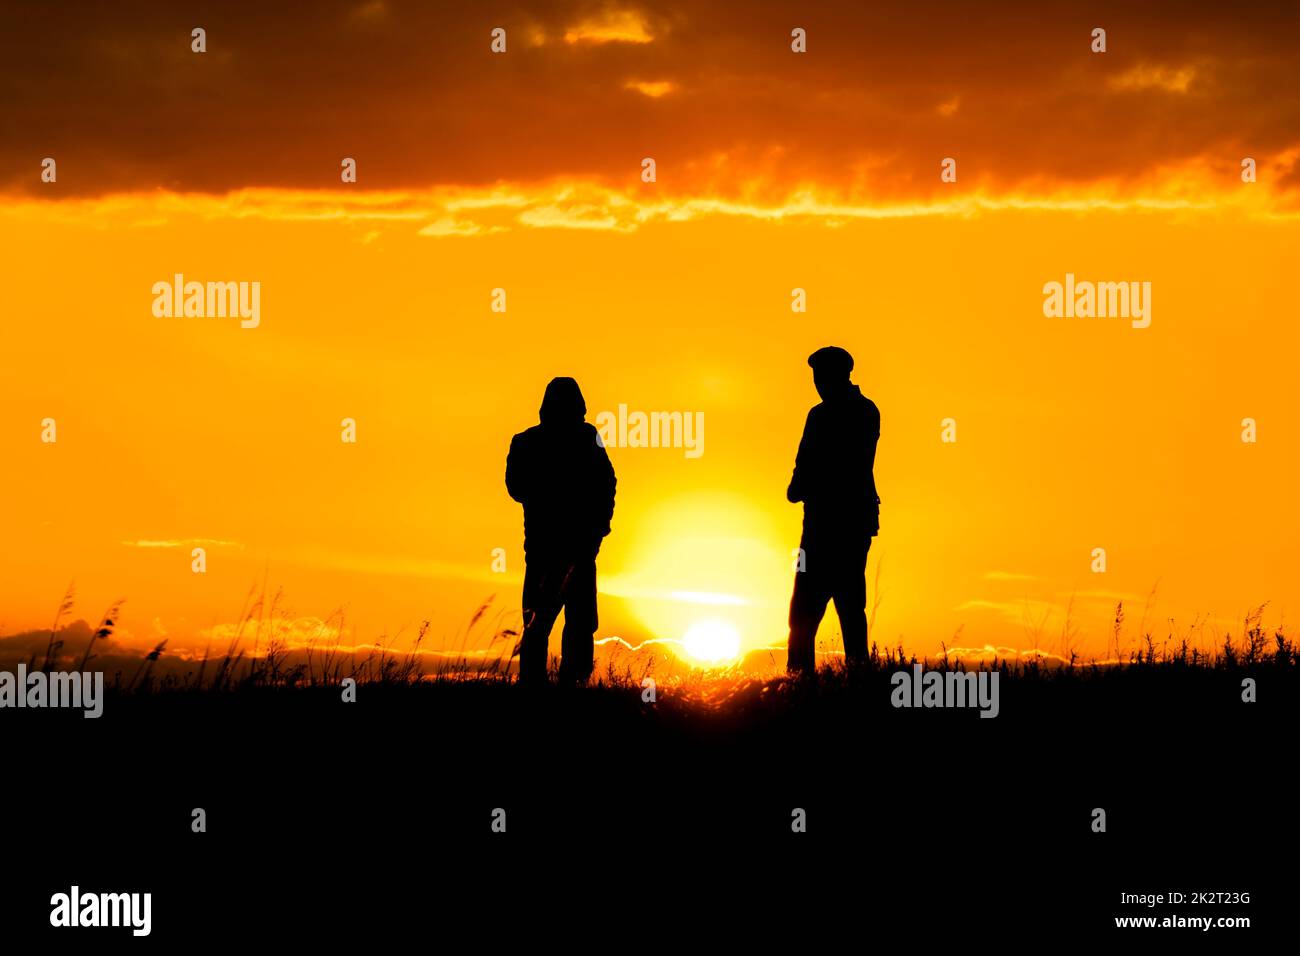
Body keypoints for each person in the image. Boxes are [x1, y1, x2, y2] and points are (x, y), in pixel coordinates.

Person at [506, 377, 616, 686]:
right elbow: (516, 487)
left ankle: (569, 686)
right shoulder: (528, 442)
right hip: (547, 552)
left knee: (574, 625)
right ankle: (539, 687)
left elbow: (607, 483)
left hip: (575, 551)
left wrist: (599, 528)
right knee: (539, 625)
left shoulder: (582, 438)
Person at [785, 346, 881, 675]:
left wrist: (800, 486)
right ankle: (806, 681)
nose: (817, 383)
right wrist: (799, 485)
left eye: (821, 375)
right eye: (815, 376)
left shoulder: (849, 413)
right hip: (831, 524)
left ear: (838, 375)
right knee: (820, 609)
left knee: (838, 605)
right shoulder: (853, 412)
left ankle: (816, 679)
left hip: (837, 525)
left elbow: (828, 462)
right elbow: (805, 463)